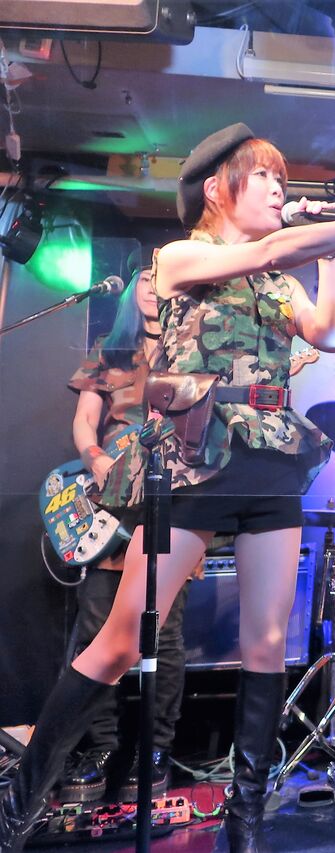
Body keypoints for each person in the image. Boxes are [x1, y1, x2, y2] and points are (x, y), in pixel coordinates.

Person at [0, 122, 335, 853]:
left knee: (266, 643)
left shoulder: (280, 277)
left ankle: (244, 822)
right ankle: (20, 806)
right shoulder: (182, 255)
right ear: (216, 188)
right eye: (263, 175)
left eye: (281, 179)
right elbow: (265, 249)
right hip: (196, 454)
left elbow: (330, 334)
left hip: (270, 455)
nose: (278, 188)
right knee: (121, 639)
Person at [58, 259, 194, 804]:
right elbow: (84, 420)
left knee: (164, 633)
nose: (152, 288)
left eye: (161, 279)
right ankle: (101, 748)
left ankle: (154, 749)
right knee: (95, 628)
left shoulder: (192, 350)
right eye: (144, 279)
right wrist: (93, 456)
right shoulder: (110, 353)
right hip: (108, 508)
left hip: (167, 505)